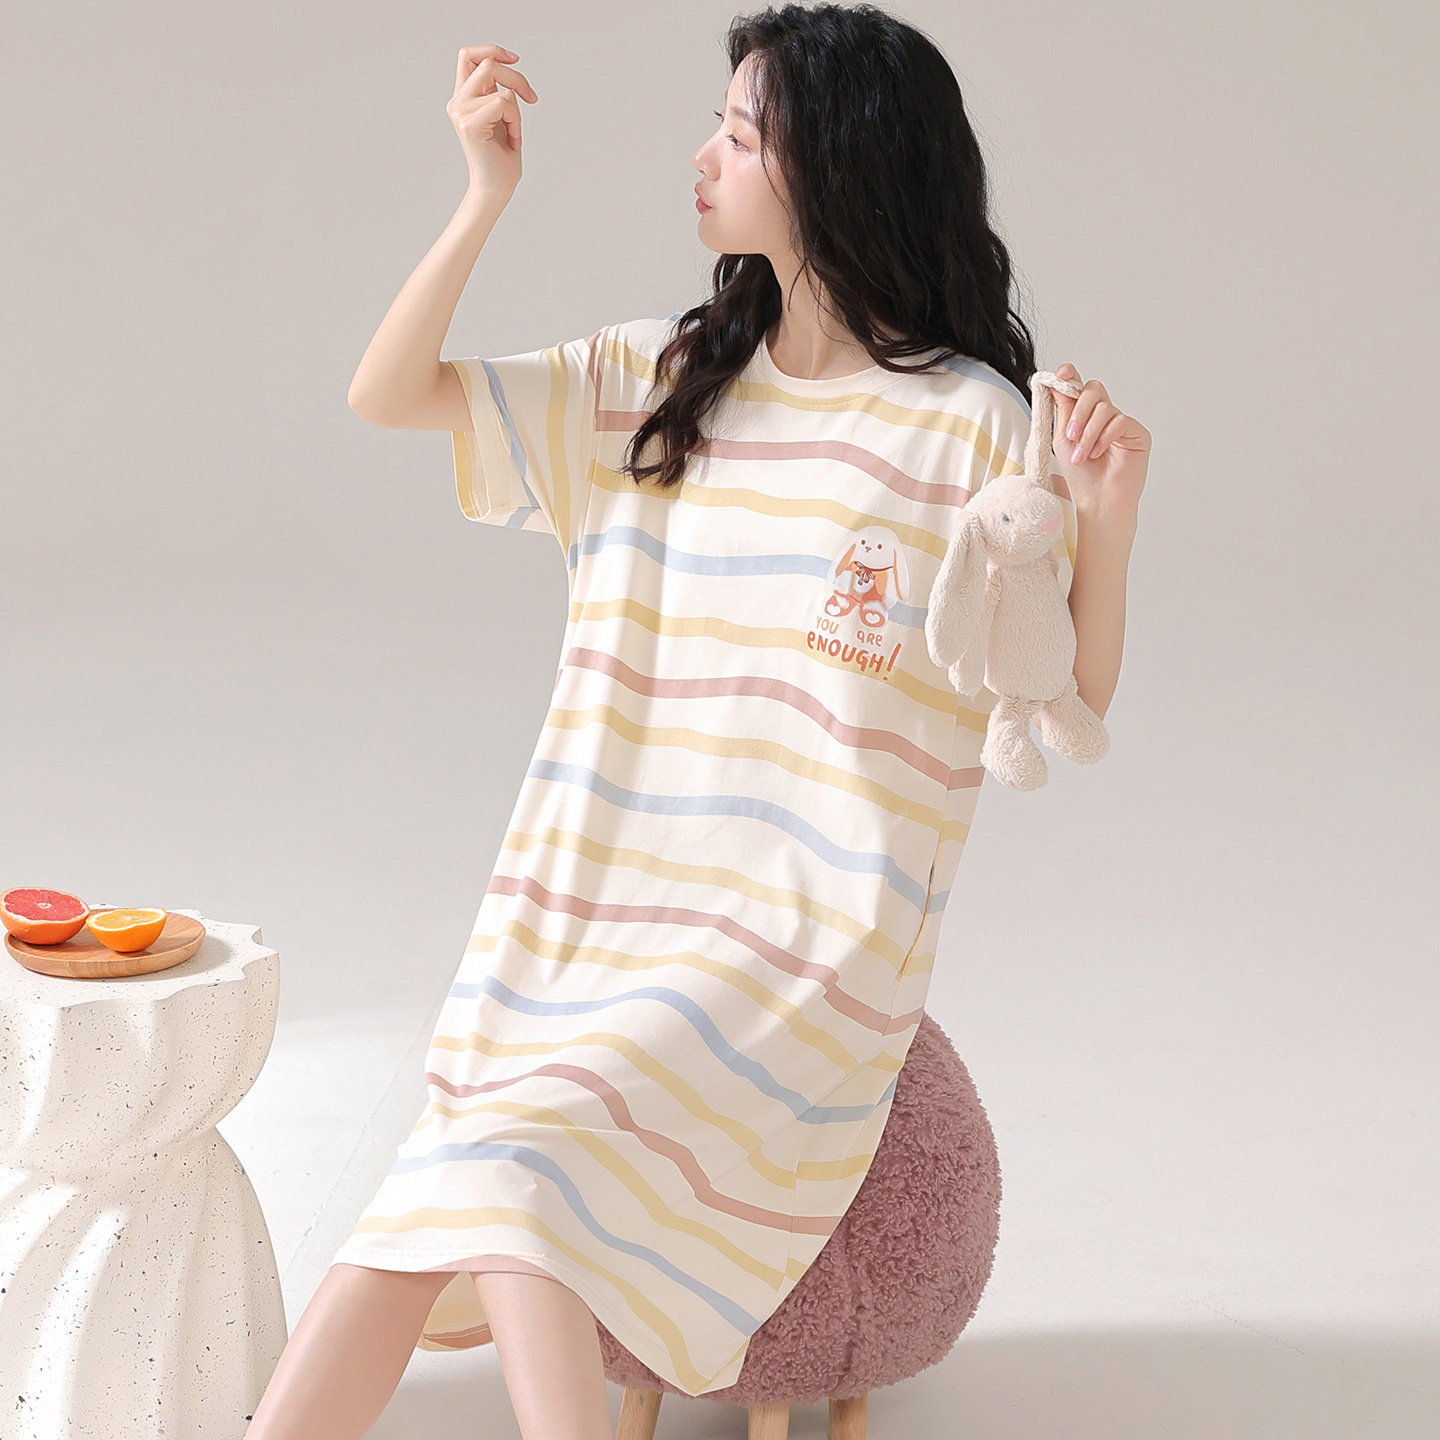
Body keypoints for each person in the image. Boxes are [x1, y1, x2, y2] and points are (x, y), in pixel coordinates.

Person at [244, 6, 1149, 1438]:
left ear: (835, 168)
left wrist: (1109, 521)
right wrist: (484, 194)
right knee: (435, 1199)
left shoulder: (969, 424)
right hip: (586, 910)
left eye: (738, 133)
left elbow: (1061, 696)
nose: (702, 157)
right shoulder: (665, 382)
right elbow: (387, 393)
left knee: (511, 1162)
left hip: (795, 941)